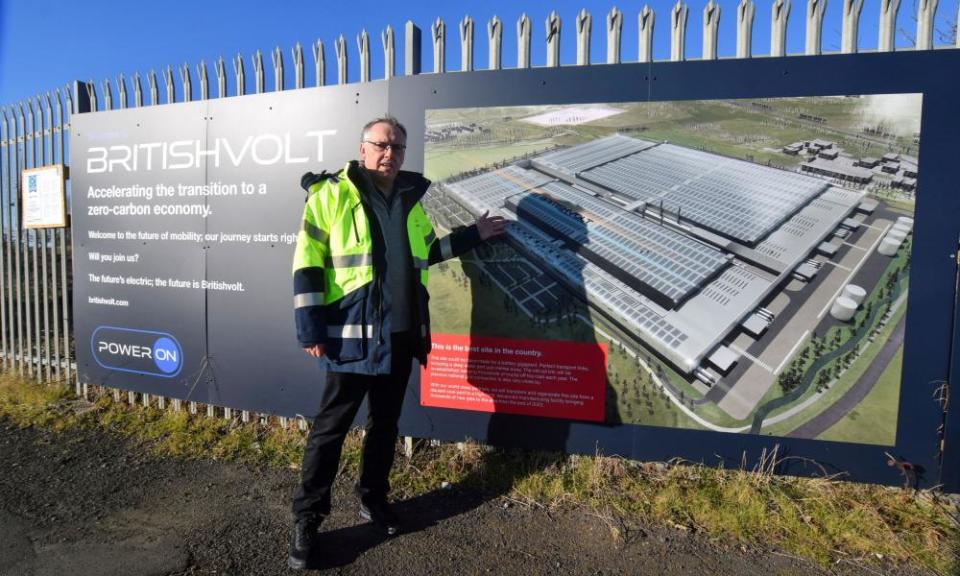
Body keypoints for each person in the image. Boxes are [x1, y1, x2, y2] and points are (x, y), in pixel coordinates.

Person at [288, 116, 506, 569]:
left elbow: (430, 252)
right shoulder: (330, 195)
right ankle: (308, 521)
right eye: (382, 145)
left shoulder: (411, 200)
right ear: (363, 148)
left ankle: (373, 498)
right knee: (330, 431)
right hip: (352, 338)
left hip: (401, 337)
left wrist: (474, 235)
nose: (391, 154)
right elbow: (307, 263)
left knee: (385, 425)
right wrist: (310, 327)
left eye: (399, 147)